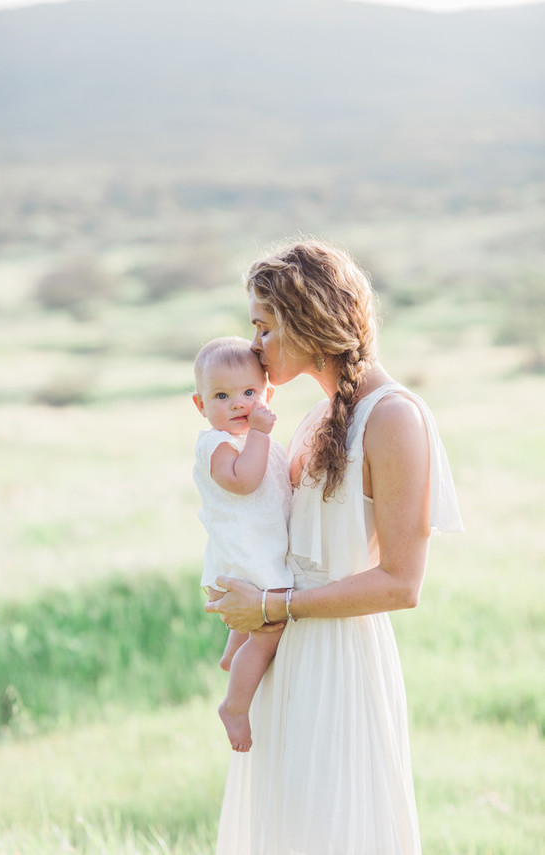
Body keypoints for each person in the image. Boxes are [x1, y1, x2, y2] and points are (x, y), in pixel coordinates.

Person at [205, 241, 463, 855]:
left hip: (341, 660)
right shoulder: (314, 418)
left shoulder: (393, 416)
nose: (255, 348)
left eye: (264, 328)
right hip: (286, 655)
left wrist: (272, 605)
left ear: (305, 316)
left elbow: (402, 583)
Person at [192, 336, 293, 752]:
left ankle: (234, 657)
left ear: (267, 394)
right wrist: (260, 432)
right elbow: (243, 480)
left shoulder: (261, 443)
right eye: (222, 395)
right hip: (242, 562)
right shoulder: (216, 445)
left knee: (254, 630)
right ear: (200, 405)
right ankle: (235, 706)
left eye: (249, 392)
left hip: (255, 553)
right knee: (270, 629)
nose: (238, 404)